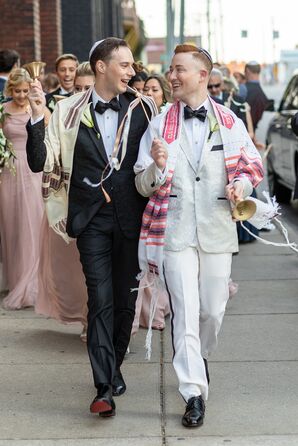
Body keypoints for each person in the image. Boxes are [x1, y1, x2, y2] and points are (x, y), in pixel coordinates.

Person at [26, 37, 156, 417]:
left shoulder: (143, 108)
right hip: (91, 220)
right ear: (102, 66)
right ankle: (103, 387)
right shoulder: (66, 111)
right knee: (99, 299)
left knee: (124, 302)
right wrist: (37, 115)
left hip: (133, 220)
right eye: (125, 65)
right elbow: (39, 163)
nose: (132, 72)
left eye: (132, 66)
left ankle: (114, 365)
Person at [134, 44, 264, 428]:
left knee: (212, 310)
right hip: (173, 231)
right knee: (186, 313)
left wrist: (240, 183)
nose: (171, 76)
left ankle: (200, 355)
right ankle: (193, 392)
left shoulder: (228, 121)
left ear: (202, 76)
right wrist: (157, 168)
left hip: (216, 229)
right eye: (171, 70)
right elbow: (142, 184)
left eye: (179, 70)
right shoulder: (159, 124)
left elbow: (250, 165)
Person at [0, 68, 49, 309]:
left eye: (25, 91)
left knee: (33, 222)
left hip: (32, 170)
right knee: (13, 225)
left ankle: (33, 282)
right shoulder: (3, 111)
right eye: (17, 91)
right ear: (10, 90)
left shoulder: (37, 108)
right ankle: (16, 278)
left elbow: (49, 134)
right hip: (8, 172)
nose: (21, 96)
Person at [132, 74, 172, 335]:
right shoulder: (142, 121)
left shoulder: (167, 121)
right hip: (145, 199)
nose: (148, 93)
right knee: (146, 265)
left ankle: (159, 310)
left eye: (154, 90)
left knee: (165, 265)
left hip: (170, 207)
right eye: (145, 89)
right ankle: (145, 315)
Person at [244, 61, 269, 130]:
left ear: (247, 71)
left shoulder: (244, 89)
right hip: (252, 130)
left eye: (245, 72)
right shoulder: (261, 93)